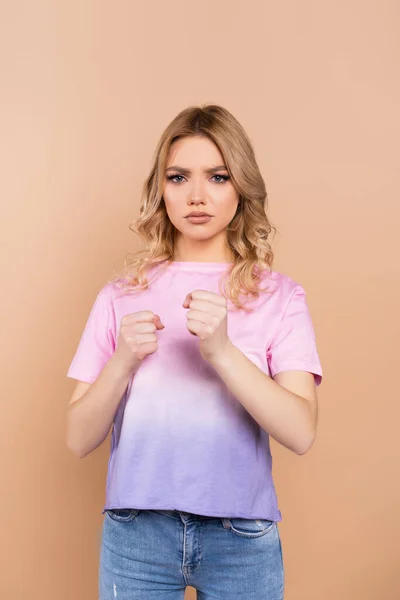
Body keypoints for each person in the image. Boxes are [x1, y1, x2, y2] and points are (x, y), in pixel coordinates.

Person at [65, 104, 323, 600]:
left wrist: (224, 353)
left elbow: (301, 431)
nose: (197, 195)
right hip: (136, 534)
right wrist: (121, 362)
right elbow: (78, 438)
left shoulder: (280, 296)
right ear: (160, 189)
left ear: (241, 186)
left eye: (218, 176)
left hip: (241, 537)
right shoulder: (121, 294)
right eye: (179, 177)